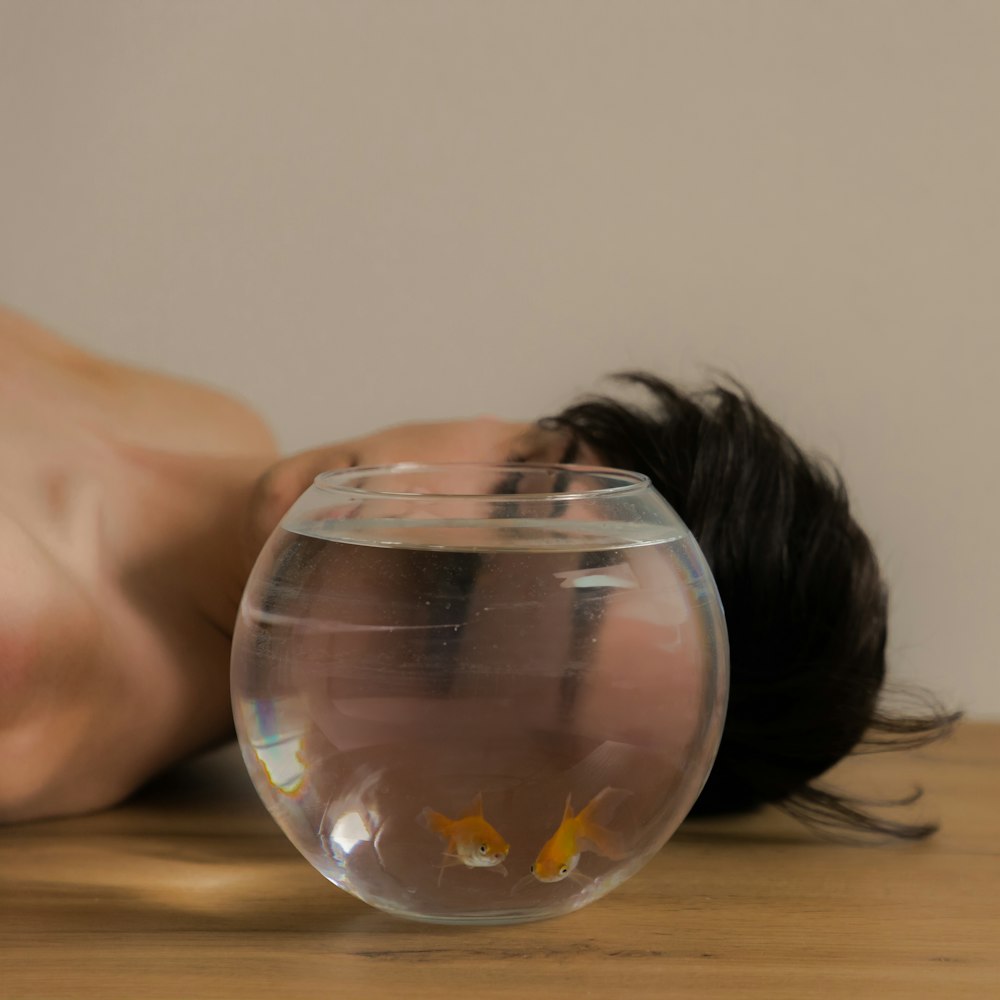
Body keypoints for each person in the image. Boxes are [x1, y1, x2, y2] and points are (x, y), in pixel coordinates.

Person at [0, 304, 956, 829]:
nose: (411, 526)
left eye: (456, 627)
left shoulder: (25, 644)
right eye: (519, 490)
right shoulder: (216, 429)